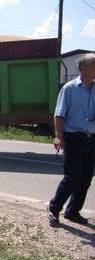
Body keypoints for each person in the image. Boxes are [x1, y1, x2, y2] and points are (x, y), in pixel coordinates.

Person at [48, 53, 95, 226]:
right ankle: (54, 208)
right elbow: (59, 115)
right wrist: (58, 136)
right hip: (73, 138)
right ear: (83, 69)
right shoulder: (69, 88)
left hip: (91, 139)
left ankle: (73, 212)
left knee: (86, 179)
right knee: (73, 176)